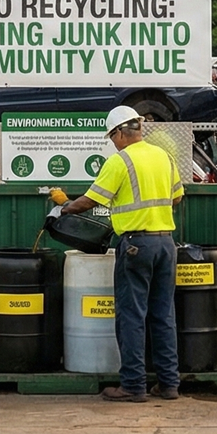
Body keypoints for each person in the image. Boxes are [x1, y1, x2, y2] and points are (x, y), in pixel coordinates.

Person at [55, 105, 183, 401]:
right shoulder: (163, 157)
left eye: (111, 137)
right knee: (163, 316)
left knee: (131, 316)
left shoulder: (120, 161)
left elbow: (91, 201)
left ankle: (133, 386)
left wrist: (64, 206)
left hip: (137, 246)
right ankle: (168, 384)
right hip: (166, 244)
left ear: (119, 133)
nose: (113, 143)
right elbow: (176, 198)